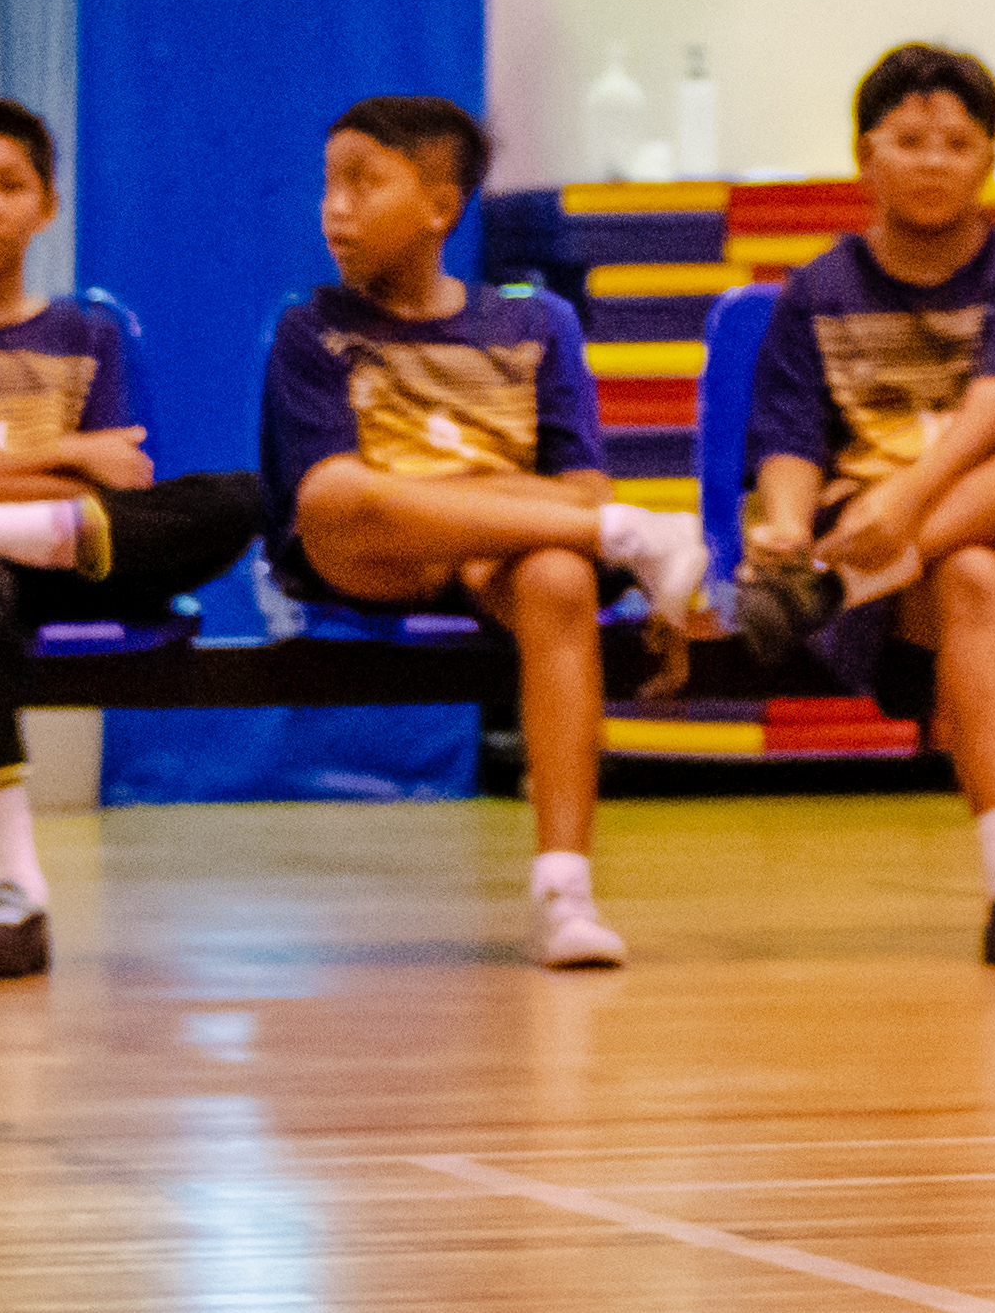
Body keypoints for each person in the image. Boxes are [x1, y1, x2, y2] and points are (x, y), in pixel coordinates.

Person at [257, 94, 715, 970]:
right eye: (328, 185)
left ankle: (564, 891)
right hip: (368, 558)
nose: (336, 207)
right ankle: (642, 538)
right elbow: (332, 495)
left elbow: (577, 486)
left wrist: (496, 521)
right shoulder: (313, 327)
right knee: (341, 497)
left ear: (440, 205)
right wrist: (509, 501)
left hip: (497, 562)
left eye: (363, 182)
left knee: (560, 577)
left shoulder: (535, 323)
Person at [733, 42, 995, 969]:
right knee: (970, 569)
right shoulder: (818, 289)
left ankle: (836, 585)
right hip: (909, 567)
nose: (932, 159)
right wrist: (790, 531)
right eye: (910, 139)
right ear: (864, 156)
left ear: (988, 164)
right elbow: (789, 442)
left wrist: (900, 511)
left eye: (957, 142)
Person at [0, 96, 267, 983]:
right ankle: (9, 892)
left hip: (85, 564)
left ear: (47, 206)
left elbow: (122, 488)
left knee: (238, 496)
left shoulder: (90, 333)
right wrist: (65, 456)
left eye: (9, 184)